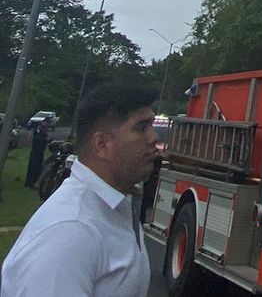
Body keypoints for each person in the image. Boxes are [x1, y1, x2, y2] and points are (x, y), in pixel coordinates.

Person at [1, 80, 159, 297]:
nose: (154, 138)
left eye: (152, 125)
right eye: (141, 127)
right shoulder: (71, 231)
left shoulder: (114, 208)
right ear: (102, 144)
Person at [24, 120, 49, 188]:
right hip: (36, 150)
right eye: (46, 122)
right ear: (42, 122)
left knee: (38, 167)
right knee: (34, 166)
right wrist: (45, 139)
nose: (47, 123)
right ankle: (30, 182)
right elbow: (37, 138)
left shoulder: (43, 129)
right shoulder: (38, 129)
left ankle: (33, 182)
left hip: (40, 151)